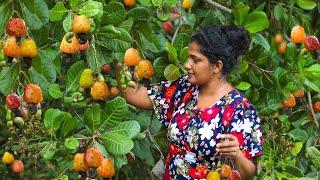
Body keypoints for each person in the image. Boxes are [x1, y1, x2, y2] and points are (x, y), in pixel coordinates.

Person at [120, 25, 263, 180]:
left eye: (196, 60)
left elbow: (248, 173)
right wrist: (116, 55)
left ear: (217, 66)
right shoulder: (184, 88)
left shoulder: (240, 110)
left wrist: (237, 155)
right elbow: (134, 94)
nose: (187, 64)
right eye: (189, 57)